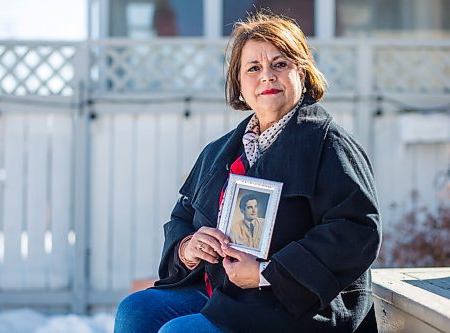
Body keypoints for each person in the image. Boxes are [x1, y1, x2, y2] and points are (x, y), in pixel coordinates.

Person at [114, 10, 381, 333]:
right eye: (253, 68)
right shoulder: (220, 151)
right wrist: (189, 246)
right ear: (239, 85)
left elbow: (357, 230)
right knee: (137, 310)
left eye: (280, 64)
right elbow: (182, 217)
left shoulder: (330, 144)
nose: (267, 75)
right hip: (229, 295)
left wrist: (267, 272)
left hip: (297, 303)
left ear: (304, 73)